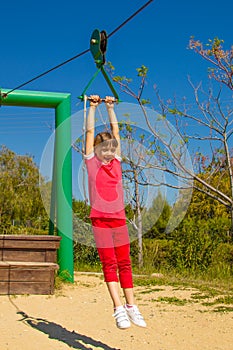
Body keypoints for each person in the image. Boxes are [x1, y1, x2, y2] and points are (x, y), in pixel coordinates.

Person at [84, 95, 146, 329]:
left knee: (125, 262)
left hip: (119, 218)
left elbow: (115, 132)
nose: (109, 152)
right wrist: (92, 108)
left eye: (111, 149)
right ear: (96, 151)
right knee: (109, 263)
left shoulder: (117, 162)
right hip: (99, 219)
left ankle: (132, 306)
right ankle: (118, 307)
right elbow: (90, 134)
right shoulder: (92, 162)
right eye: (104, 149)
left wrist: (110, 108)